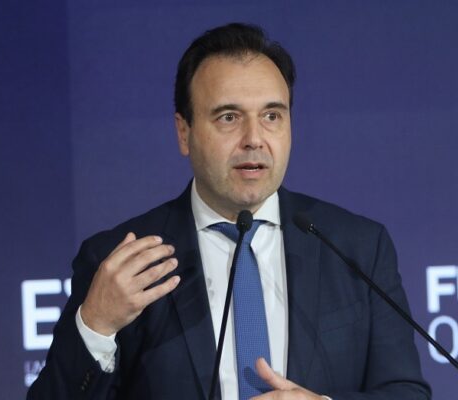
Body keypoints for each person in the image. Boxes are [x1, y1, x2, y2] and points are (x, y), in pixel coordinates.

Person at [28, 23, 431, 400]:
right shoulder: (120, 261)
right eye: (228, 117)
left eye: (272, 116)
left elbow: (406, 393)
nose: (254, 139)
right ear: (184, 132)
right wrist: (96, 326)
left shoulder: (358, 247)